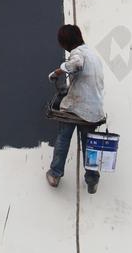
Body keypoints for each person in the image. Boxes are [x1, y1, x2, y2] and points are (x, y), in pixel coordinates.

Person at [45, 24, 106, 193]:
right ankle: (92, 178)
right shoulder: (94, 55)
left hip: (77, 106)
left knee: (63, 137)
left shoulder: (77, 53)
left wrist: (57, 72)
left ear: (66, 42)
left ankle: (55, 174)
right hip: (94, 110)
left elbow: (76, 64)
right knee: (89, 144)